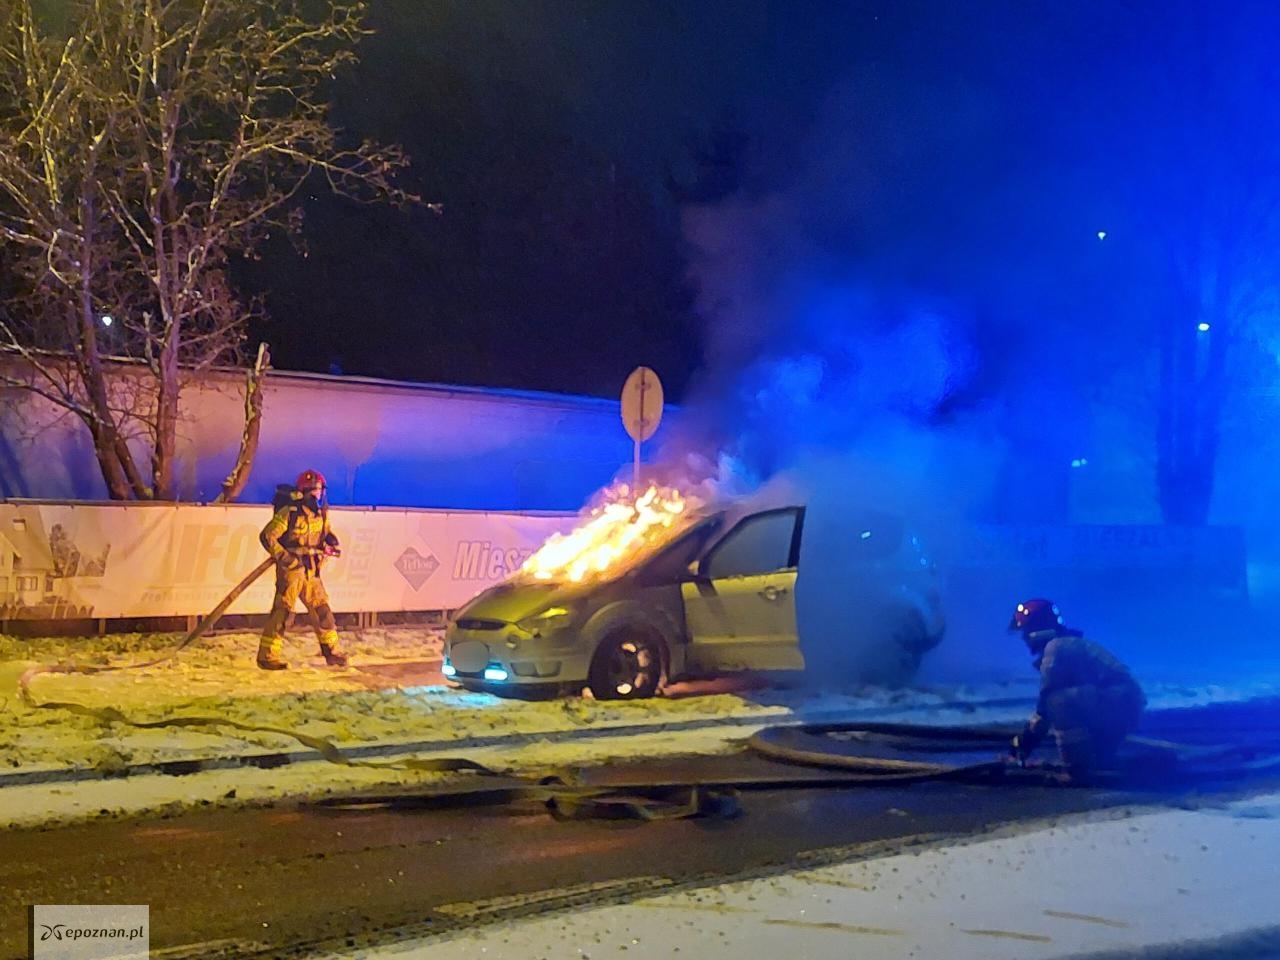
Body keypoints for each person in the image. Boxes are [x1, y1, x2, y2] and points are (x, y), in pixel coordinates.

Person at [1007, 598, 1145, 780]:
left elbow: (1046, 704)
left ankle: (1075, 768)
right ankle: (1096, 761)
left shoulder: (1057, 648)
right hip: (1121, 704)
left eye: (1025, 631)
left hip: (1116, 703)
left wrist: (1023, 743)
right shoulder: (1069, 645)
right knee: (1097, 757)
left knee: (1058, 702)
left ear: (1035, 629)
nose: (1024, 638)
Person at [256, 469, 349, 670]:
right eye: (313, 491)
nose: (317, 495)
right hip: (291, 571)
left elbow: (324, 534)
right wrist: (286, 558)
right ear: (303, 492)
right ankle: (267, 657)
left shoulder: (322, 514)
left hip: (312, 570)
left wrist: (330, 541)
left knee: (322, 611)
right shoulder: (289, 513)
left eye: (319, 490)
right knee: (283, 613)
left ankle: (332, 652)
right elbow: (267, 536)